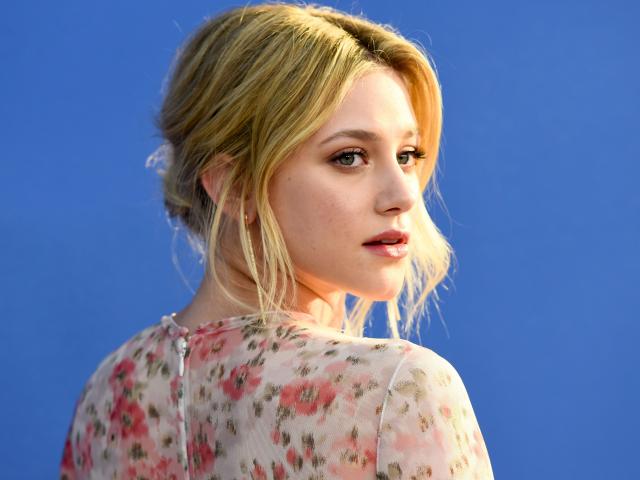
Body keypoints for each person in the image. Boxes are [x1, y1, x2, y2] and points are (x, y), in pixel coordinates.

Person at [60, 3, 494, 479]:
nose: (404, 195)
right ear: (235, 185)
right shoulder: (398, 389)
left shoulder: (112, 393)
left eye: (407, 154)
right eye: (350, 157)